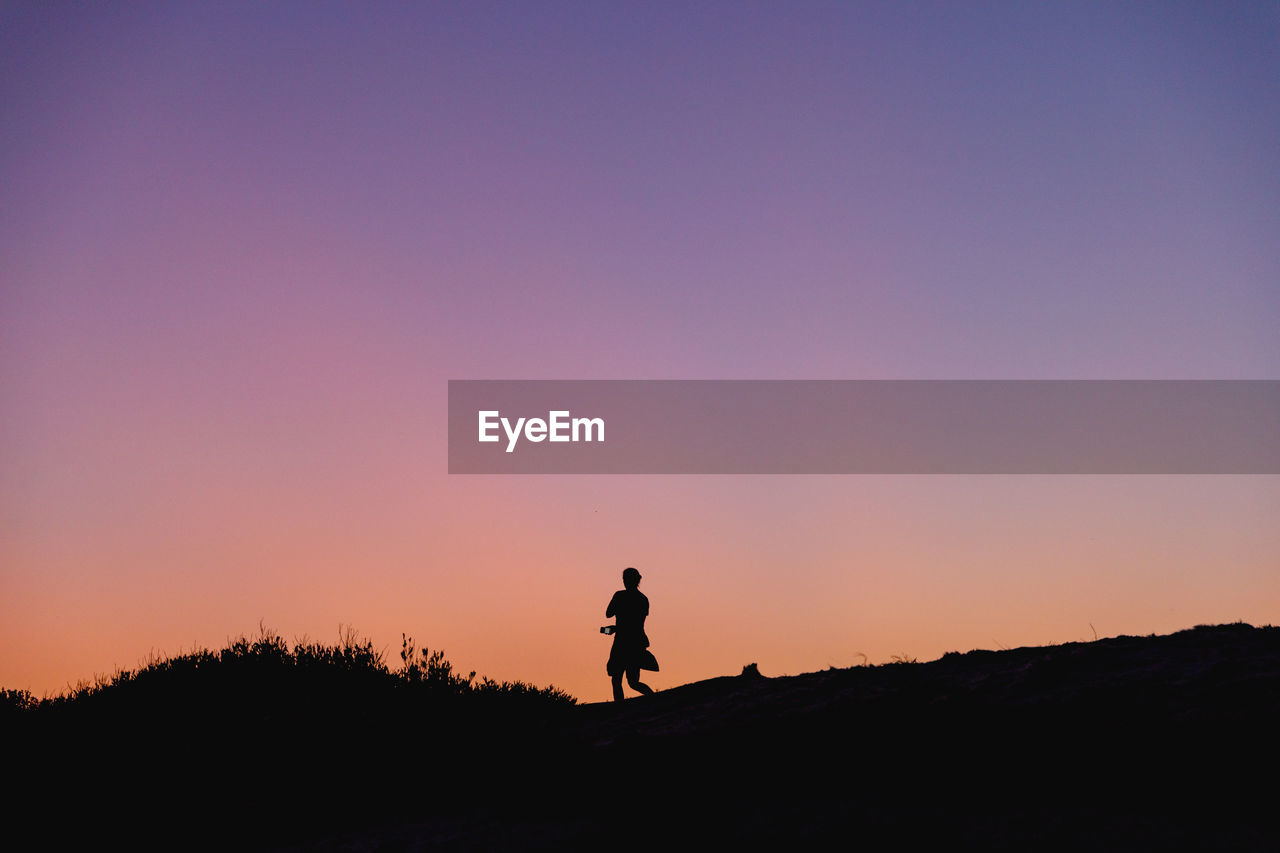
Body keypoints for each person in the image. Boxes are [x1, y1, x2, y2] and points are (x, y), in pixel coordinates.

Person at [606, 567, 655, 702]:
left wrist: (614, 628)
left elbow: (608, 613)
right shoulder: (643, 599)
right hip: (637, 642)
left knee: (617, 680)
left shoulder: (619, 596)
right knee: (633, 682)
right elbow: (637, 623)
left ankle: (619, 708)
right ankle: (655, 699)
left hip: (622, 642)